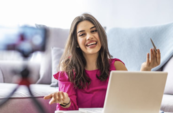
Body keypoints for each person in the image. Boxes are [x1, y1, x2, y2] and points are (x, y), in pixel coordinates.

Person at [44, 13, 161, 110]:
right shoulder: (67, 67)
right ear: (76, 42)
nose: (89, 36)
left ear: (101, 35)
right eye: (82, 34)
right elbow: (70, 109)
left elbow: (132, 104)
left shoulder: (117, 66)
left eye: (94, 31)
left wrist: (145, 70)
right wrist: (65, 101)